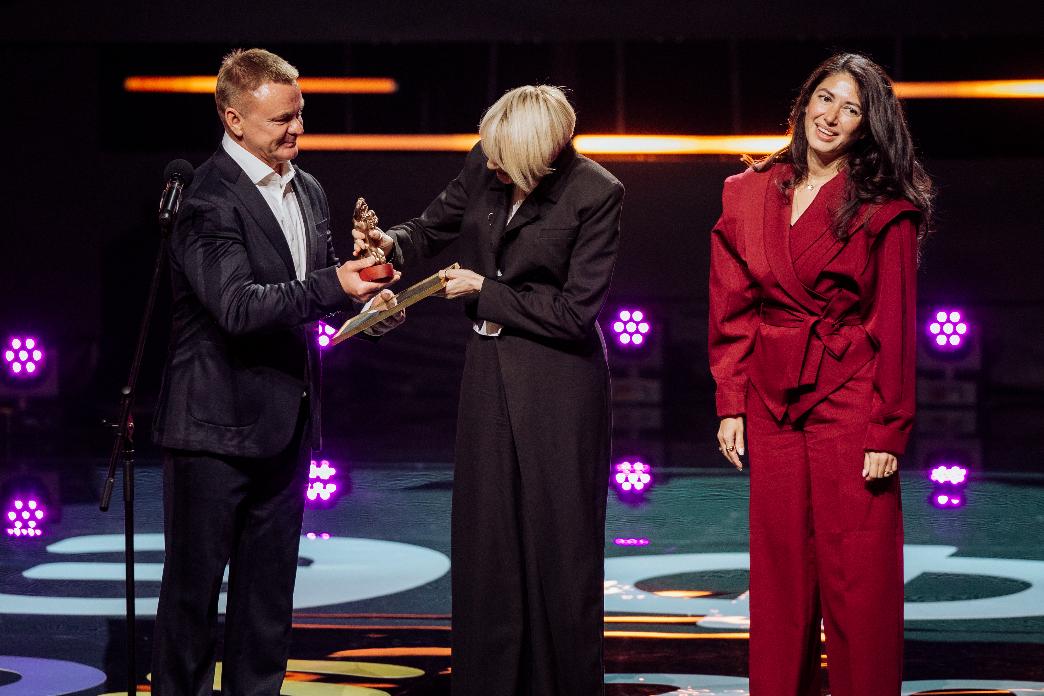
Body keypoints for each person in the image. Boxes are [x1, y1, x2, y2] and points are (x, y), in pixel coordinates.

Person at [357, 85, 624, 696]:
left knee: (560, 545)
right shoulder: (485, 162)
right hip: (488, 370)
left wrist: (484, 290)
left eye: (505, 157)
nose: (491, 164)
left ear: (540, 154)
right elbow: (430, 228)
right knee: (487, 538)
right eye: (489, 152)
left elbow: (574, 313)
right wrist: (389, 245)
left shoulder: (595, 192)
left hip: (559, 384)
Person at [151, 48, 401, 696]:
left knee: (266, 606)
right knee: (192, 603)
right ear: (233, 119)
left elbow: (314, 295)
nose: (296, 129)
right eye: (281, 120)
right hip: (212, 431)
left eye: (299, 114)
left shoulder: (308, 188)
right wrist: (335, 283)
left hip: (285, 425)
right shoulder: (206, 198)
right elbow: (238, 307)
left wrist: (368, 307)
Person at [708, 53, 934, 696]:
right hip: (771, 398)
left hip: (851, 397)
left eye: (851, 109)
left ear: (868, 125)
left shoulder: (883, 207)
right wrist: (731, 399)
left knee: (857, 573)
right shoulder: (748, 192)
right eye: (825, 98)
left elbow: (895, 324)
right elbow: (731, 304)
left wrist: (887, 429)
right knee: (779, 573)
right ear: (805, 101)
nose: (831, 117)